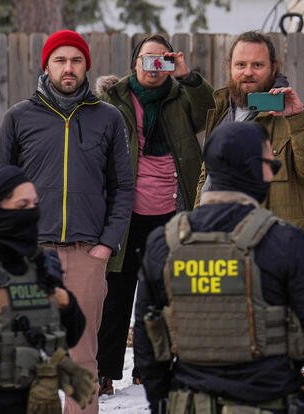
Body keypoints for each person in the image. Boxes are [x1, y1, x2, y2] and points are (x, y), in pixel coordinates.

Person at [134, 122, 304, 414]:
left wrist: (163, 403)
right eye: (270, 164)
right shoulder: (285, 242)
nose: (272, 173)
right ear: (254, 170)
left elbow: (147, 341)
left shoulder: (164, 244)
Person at [0, 29, 134, 413]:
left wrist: (106, 243)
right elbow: (0, 188)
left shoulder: (108, 118)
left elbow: (123, 187)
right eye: (60, 60)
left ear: (87, 65)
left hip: (86, 254)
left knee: (81, 358)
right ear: (47, 65)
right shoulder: (19, 117)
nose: (68, 68)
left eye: (76, 60)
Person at [95, 34, 214, 394]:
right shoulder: (113, 99)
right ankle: (104, 372)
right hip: (124, 214)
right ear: (134, 63)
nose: (154, 66)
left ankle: (148, 368)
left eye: (162, 60)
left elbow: (209, 113)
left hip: (171, 212)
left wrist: (188, 76)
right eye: (147, 59)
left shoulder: (181, 97)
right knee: (116, 295)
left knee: (160, 295)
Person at [0, 165, 96, 414]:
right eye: (22, 205)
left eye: (35, 204)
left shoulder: (38, 262)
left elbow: (71, 334)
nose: (31, 212)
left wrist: (64, 300)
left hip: (39, 402)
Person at [195, 30, 304, 229]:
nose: (248, 72)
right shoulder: (219, 113)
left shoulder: (294, 116)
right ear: (229, 67)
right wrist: (197, 220)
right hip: (218, 233)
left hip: (270, 238)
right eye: (241, 65)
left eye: (257, 65)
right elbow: (206, 178)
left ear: (273, 68)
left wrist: (297, 118)